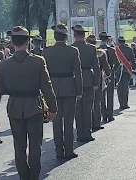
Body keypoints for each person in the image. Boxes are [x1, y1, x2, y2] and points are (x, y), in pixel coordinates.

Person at [0, 26, 57, 180]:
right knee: (35, 145)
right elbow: (47, 86)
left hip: (15, 105)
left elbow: (0, 89)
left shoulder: (4, 64)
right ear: (27, 42)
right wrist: (53, 107)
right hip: (34, 105)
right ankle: (34, 176)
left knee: (19, 145)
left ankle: (24, 176)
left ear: (12, 42)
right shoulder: (38, 61)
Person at [43, 24, 83, 159]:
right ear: (66, 37)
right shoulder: (73, 51)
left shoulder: (46, 52)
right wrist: (79, 91)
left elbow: (44, 75)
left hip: (53, 88)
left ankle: (59, 150)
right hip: (69, 88)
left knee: (56, 122)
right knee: (69, 121)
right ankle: (69, 149)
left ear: (54, 37)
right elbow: (78, 73)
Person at [71, 25, 101, 139]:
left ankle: (79, 133)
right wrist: (96, 82)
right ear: (84, 36)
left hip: (74, 80)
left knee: (78, 110)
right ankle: (87, 133)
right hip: (88, 78)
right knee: (88, 108)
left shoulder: (71, 48)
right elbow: (96, 67)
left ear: (74, 36)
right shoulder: (91, 48)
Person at [86, 34, 111, 130]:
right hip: (98, 78)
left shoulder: (82, 51)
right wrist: (108, 74)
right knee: (97, 102)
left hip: (86, 79)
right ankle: (96, 123)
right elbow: (106, 67)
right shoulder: (101, 53)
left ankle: (88, 123)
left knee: (87, 103)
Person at [99, 32, 120, 122]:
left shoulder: (97, 49)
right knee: (110, 96)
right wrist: (112, 71)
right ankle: (110, 115)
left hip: (101, 75)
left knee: (102, 97)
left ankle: (104, 115)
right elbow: (117, 63)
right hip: (110, 74)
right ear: (107, 39)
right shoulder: (112, 50)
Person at [117, 36, 136, 110]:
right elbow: (132, 59)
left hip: (118, 70)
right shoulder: (129, 49)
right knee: (125, 87)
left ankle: (121, 103)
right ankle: (125, 103)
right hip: (127, 70)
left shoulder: (116, 49)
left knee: (119, 87)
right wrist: (133, 69)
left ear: (118, 42)